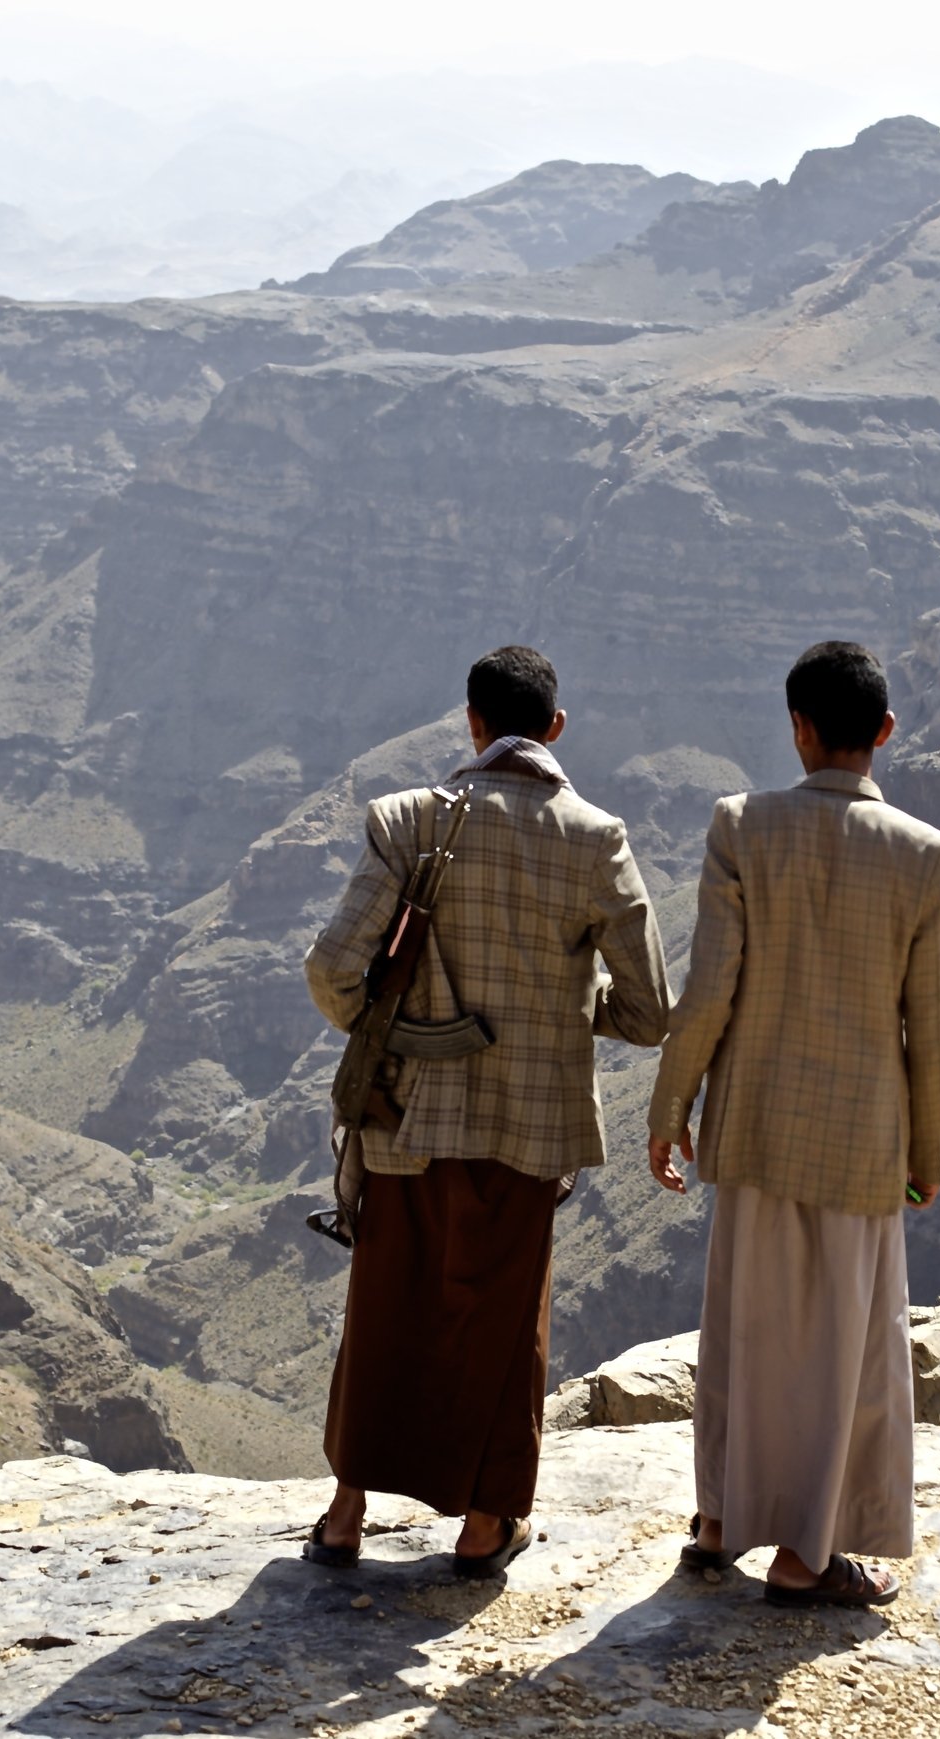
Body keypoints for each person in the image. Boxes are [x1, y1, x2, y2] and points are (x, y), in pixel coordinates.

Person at [300, 645, 672, 1577]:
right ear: (554, 729)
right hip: (528, 1128)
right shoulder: (597, 838)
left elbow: (331, 967)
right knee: (504, 1323)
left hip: (404, 1116)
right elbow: (649, 1008)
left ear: (470, 722)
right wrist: (557, 1008)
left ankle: (345, 1515)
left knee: (388, 1305)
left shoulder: (407, 820)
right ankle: (484, 1525)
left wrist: (383, 1024)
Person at [646, 640, 940, 1608]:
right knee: (842, 1350)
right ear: (885, 731)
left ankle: (718, 1519)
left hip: (751, 1124)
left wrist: (672, 1107)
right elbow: (938, 1032)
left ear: (797, 726)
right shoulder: (925, 854)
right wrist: (926, 1149)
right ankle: (808, 1553)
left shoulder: (741, 826)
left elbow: (708, 991)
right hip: (862, 1139)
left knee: (741, 1326)